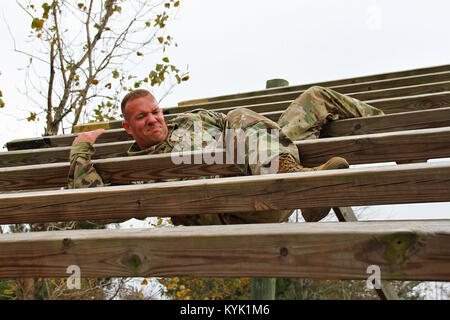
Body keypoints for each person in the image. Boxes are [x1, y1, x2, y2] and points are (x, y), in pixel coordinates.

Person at [69, 86, 384, 225]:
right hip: (240, 204)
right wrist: (80, 149)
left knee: (315, 98)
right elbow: (98, 209)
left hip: (263, 167)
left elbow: (242, 126)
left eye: (155, 112)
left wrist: (261, 141)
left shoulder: (194, 119)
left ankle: (294, 179)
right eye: (142, 117)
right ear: (128, 126)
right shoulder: (136, 171)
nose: (153, 119)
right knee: (240, 119)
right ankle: (292, 181)